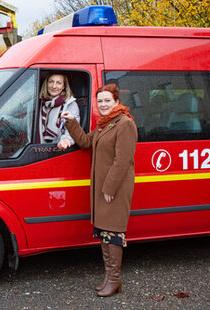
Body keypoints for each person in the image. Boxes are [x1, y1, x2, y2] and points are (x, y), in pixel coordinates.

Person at [60, 83, 137, 297]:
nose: (103, 104)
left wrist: (110, 187)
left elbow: (123, 160)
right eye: (100, 101)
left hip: (115, 188)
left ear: (116, 101)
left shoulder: (125, 124)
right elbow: (86, 142)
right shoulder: (105, 124)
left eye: (107, 101)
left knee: (113, 232)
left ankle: (114, 279)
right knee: (104, 231)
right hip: (103, 189)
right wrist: (71, 122)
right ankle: (109, 278)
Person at [39, 73, 79, 149]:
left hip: (57, 151)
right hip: (37, 149)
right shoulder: (39, 103)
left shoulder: (70, 104)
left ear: (64, 86)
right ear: (46, 83)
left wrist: (66, 140)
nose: (54, 86)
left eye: (59, 83)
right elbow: (26, 123)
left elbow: (73, 129)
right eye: (51, 81)